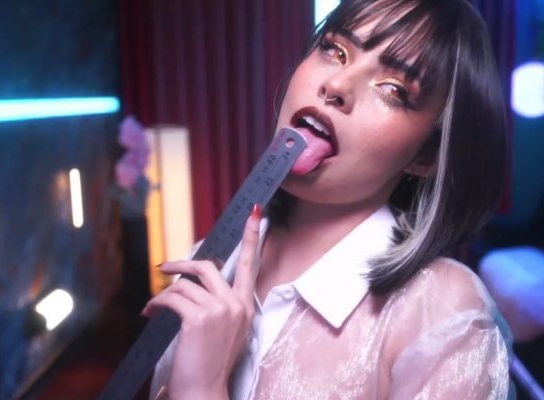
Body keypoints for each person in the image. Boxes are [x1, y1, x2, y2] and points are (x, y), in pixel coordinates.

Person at [144, 0, 513, 398]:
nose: (336, 85)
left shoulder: (445, 315)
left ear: (425, 156)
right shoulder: (209, 262)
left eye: (393, 89)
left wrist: (202, 388)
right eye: (335, 50)